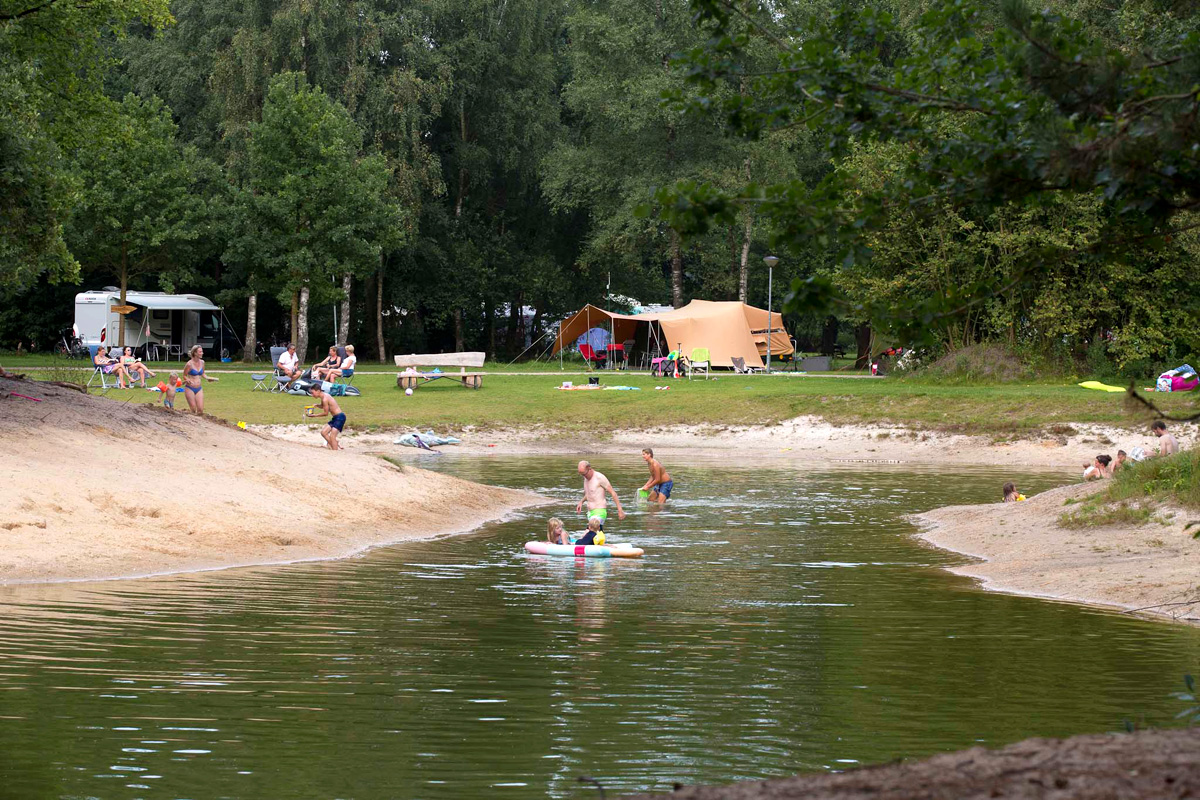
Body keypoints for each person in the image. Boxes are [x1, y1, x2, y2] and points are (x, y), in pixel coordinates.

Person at [575, 460, 626, 529]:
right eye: (581, 474)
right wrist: (581, 501)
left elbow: (613, 493)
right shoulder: (586, 478)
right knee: (596, 537)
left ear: (589, 468)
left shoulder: (599, 478)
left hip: (599, 511)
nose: (584, 476)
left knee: (589, 534)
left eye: (584, 474)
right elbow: (590, 493)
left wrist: (620, 510)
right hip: (590, 512)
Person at [307, 383, 345, 450]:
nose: (312, 395)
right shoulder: (324, 396)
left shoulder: (324, 399)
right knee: (323, 432)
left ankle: (335, 450)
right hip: (336, 418)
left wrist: (314, 415)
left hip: (340, 417)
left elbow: (325, 413)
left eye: (313, 393)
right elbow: (324, 406)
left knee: (332, 436)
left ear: (318, 391)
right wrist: (317, 405)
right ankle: (335, 444)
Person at [182, 345, 218, 415]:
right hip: (190, 388)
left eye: (202, 351)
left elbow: (203, 373)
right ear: (195, 353)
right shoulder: (189, 364)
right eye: (200, 351)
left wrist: (207, 378)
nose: (202, 353)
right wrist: (187, 379)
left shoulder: (202, 362)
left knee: (200, 410)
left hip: (199, 388)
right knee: (193, 409)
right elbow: (184, 375)